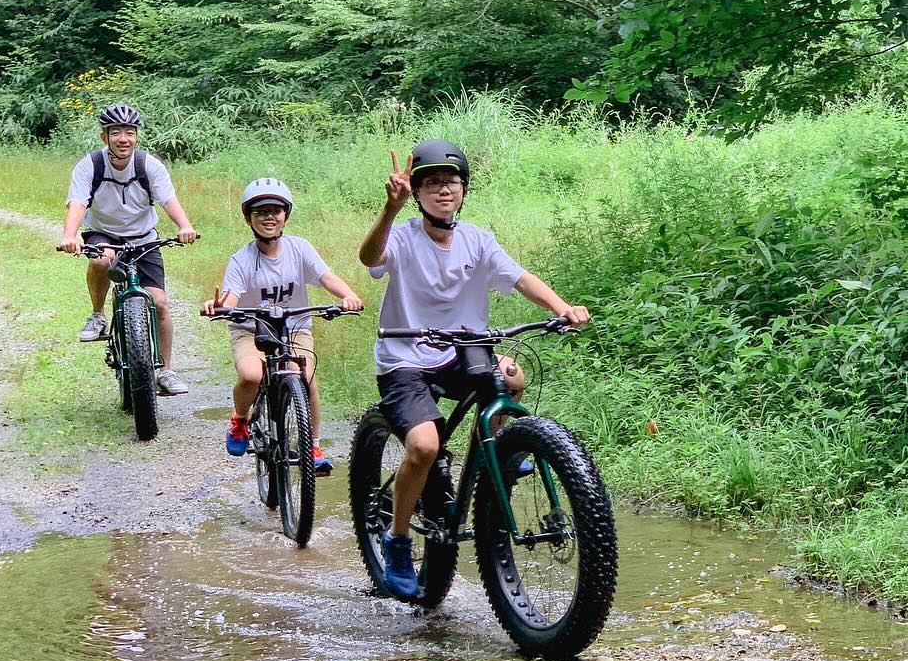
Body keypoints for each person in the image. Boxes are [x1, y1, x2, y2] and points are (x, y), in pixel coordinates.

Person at [357, 138, 590, 598]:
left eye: (453, 182)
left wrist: (562, 306)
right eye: (433, 183)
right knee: (424, 446)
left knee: (512, 376)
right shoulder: (402, 235)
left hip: (461, 352)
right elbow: (369, 258)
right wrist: (389, 208)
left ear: (464, 190)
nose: (444, 190)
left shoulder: (477, 240)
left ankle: (497, 461)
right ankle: (399, 540)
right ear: (418, 193)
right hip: (405, 358)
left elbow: (519, 277)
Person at [203, 178, 364, 475]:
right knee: (252, 374)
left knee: (305, 375)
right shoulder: (242, 259)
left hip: (294, 329)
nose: (269, 217)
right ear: (248, 218)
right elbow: (231, 296)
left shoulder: (299, 248)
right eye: (260, 211)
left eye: (276, 210)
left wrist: (348, 296)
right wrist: (219, 305)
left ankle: (313, 445)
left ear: (285, 215)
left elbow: (326, 277)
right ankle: (240, 419)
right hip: (251, 330)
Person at [59, 103, 198, 396]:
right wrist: (70, 235)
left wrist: (185, 226)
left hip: (143, 237)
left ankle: (166, 370)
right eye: (117, 132)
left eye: (130, 132)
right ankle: (98, 316)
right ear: (104, 136)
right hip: (103, 234)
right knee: (100, 262)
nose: (124, 138)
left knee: (159, 303)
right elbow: (78, 202)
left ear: (136, 136)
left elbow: (167, 200)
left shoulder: (149, 165)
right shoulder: (91, 165)